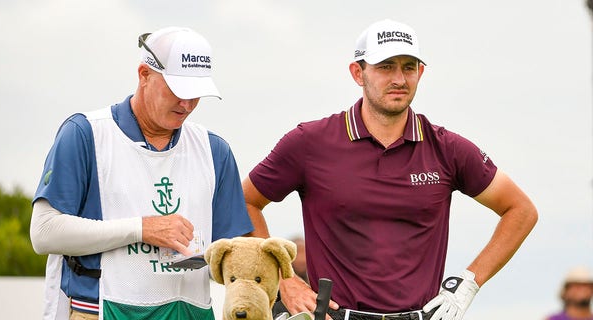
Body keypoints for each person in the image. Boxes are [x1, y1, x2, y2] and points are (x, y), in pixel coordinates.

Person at [243, 19, 538, 320]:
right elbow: (245, 201)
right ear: (358, 73)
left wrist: (470, 282)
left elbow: (521, 210)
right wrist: (284, 278)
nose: (399, 78)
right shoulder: (310, 142)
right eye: (385, 67)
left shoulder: (446, 148)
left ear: (420, 73)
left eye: (409, 67)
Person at [30, 27, 253, 320]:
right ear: (144, 74)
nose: (186, 105)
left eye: (196, 94)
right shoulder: (85, 134)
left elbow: (231, 256)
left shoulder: (215, 150)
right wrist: (142, 229)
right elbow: (43, 233)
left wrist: (280, 280)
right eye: (177, 90)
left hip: (189, 312)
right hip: (99, 309)